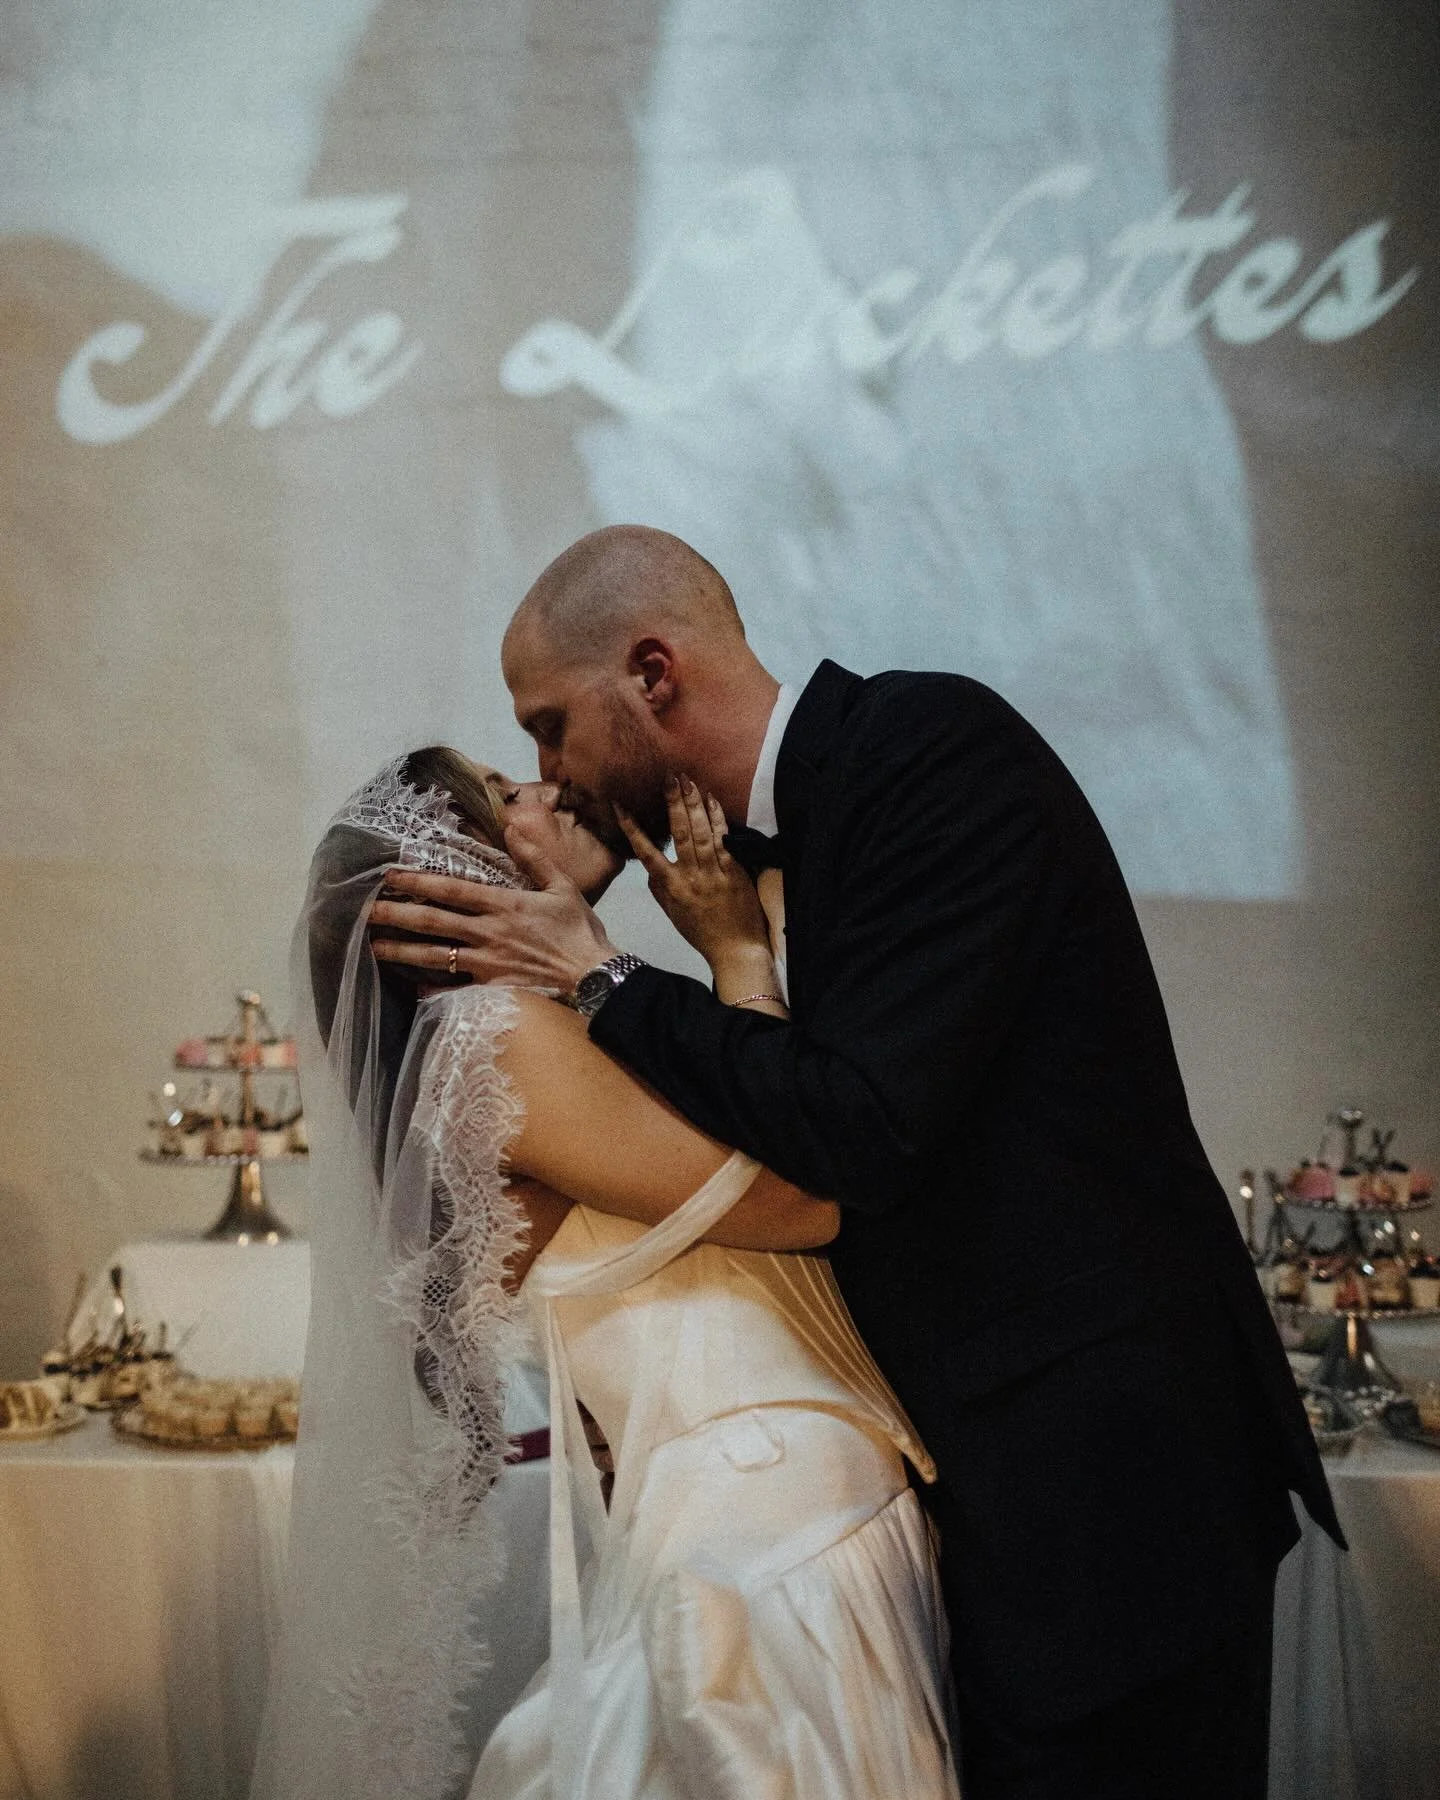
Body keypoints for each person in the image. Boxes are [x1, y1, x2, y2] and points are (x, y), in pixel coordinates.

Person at [371, 524, 1344, 1800]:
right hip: (961, 1494)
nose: (549, 770)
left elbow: (859, 1130)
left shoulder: (929, 754)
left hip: (1106, 1484)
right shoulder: (731, 884)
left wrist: (608, 976)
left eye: (552, 727)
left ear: (651, 675)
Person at [252, 744, 960, 1800]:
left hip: (786, 1493)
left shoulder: (558, 1022)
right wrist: (741, 960)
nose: (547, 787)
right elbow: (805, 1198)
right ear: (455, 883)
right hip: (760, 1526)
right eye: (505, 798)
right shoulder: (495, 1039)